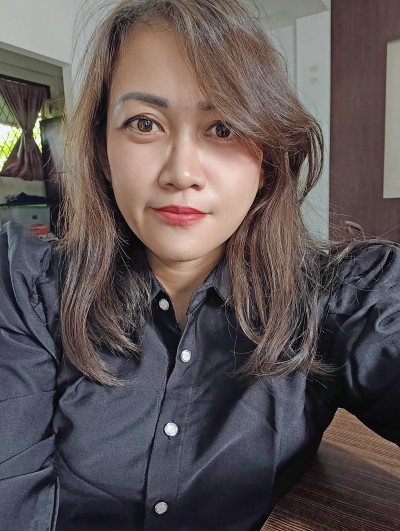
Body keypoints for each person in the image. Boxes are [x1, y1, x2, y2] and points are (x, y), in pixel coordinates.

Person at [0, 0, 399, 530]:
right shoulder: (30, 287)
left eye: (223, 128)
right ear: (102, 149)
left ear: (268, 156)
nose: (182, 172)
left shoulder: (343, 293)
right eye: (144, 123)